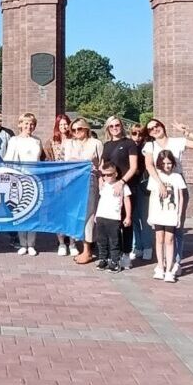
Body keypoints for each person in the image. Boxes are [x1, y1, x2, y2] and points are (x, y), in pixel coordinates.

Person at [142, 118, 193, 276]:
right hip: (159, 185)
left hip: (177, 183)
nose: (155, 130)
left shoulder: (177, 142)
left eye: (156, 126)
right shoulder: (150, 145)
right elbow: (149, 165)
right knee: (159, 226)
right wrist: (159, 183)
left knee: (177, 224)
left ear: (162, 126)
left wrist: (187, 132)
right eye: (150, 129)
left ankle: (175, 262)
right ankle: (161, 263)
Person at [63, 117, 103, 264]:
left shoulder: (96, 143)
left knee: (89, 214)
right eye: (73, 130)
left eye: (79, 128)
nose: (76, 132)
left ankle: (88, 249)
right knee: (74, 213)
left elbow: (101, 164)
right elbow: (68, 161)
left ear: (86, 129)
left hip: (90, 180)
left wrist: (101, 181)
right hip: (73, 181)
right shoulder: (69, 143)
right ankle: (75, 243)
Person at [101, 116, 139, 269]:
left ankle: (126, 254)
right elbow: (103, 166)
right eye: (111, 126)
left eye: (117, 125)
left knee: (126, 222)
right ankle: (112, 254)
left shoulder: (129, 143)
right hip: (110, 189)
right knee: (111, 221)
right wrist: (101, 180)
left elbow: (133, 166)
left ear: (121, 126)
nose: (115, 128)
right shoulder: (107, 145)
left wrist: (122, 182)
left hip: (126, 187)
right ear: (108, 129)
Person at [3, 113, 42, 256]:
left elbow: (39, 161)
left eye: (31, 124)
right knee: (20, 211)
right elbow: (9, 160)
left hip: (35, 179)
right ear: (20, 124)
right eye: (25, 123)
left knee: (33, 212)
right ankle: (22, 243)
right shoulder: (14, 140)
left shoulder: (37, 141)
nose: (28, 126)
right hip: (19, 180)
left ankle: (31, 244)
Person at [147, 150, 186, 283]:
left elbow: (181, 197)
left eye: (169, 163)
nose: (167, 166)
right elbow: (152, 197)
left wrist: (180, 215)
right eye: (164, 163)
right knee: (159, 238)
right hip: (158, 212)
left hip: (171, 212)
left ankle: (169, 269)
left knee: (169, 239)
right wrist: (150, 215)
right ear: (159, 164)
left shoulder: (177, 177)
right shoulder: (155, 177)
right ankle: (160, 266)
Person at [45, 114, 75, 255]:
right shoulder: (51, 142)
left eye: (65, 124)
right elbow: (48, 160)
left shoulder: (74, 140)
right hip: (57, 181)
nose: (63, 127)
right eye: (61, 124)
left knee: (72, 211)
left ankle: (73, 242)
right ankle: (61, 243)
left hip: (72, 180)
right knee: (59, 212)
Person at [95, 161, 132, 273]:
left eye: (109, 174)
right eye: (104, 175)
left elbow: (127, 201)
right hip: (101, 216)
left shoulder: (122, 186)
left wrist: (128, 216)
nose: (107, 177)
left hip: (114, 217)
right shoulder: (102, 184)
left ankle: (115, 262)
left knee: (114, 241)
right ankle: (103, 259)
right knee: (101, 240)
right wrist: (100, 178)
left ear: (115, 174)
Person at [129, 123, 153, 260]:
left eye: (140, 134)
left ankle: (148, 247)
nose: (137, 137)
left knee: (145, 218)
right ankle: (137, 246)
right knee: (133, 218)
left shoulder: (147, 148)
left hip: (144, 185)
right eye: (134, 133)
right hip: (132, 186)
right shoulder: (129, 147)